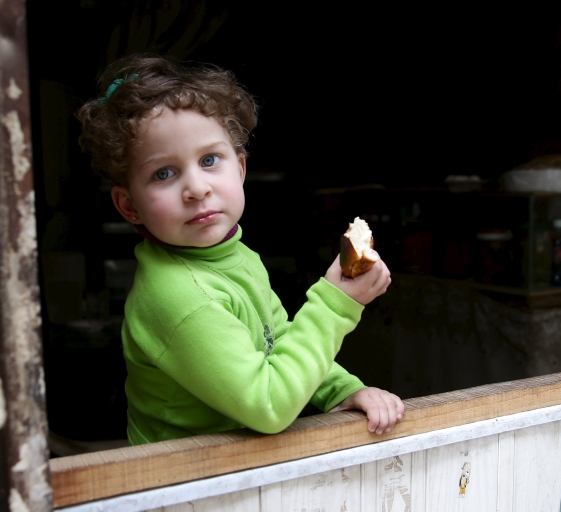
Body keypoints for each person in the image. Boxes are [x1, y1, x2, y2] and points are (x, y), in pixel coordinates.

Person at [77, 55, 403, 445]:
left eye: (210, 160)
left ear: (241, 169)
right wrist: (336, 303)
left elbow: (279, 338)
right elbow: (268, 405)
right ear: (129, 205)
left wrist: (342, 390)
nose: (196, 188)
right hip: (186, 487)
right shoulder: (178, 295)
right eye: (164, 173)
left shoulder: (234, 255)